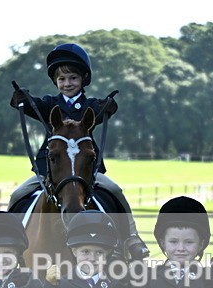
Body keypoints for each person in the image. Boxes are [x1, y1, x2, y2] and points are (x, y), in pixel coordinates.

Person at [9, 42, 149, 261]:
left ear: (84, 78)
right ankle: (9, 240)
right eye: (62, 79)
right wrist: (22, 100)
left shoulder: (90, 105)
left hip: (86, 169)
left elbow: (102, 111)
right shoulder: (49, 104)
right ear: (56, 81)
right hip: (51, 170)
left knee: (115, 190)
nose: (67, 84)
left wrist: (109, 107)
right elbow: (33, 105)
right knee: (17, 194)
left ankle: (132, 238)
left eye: (73, 78)